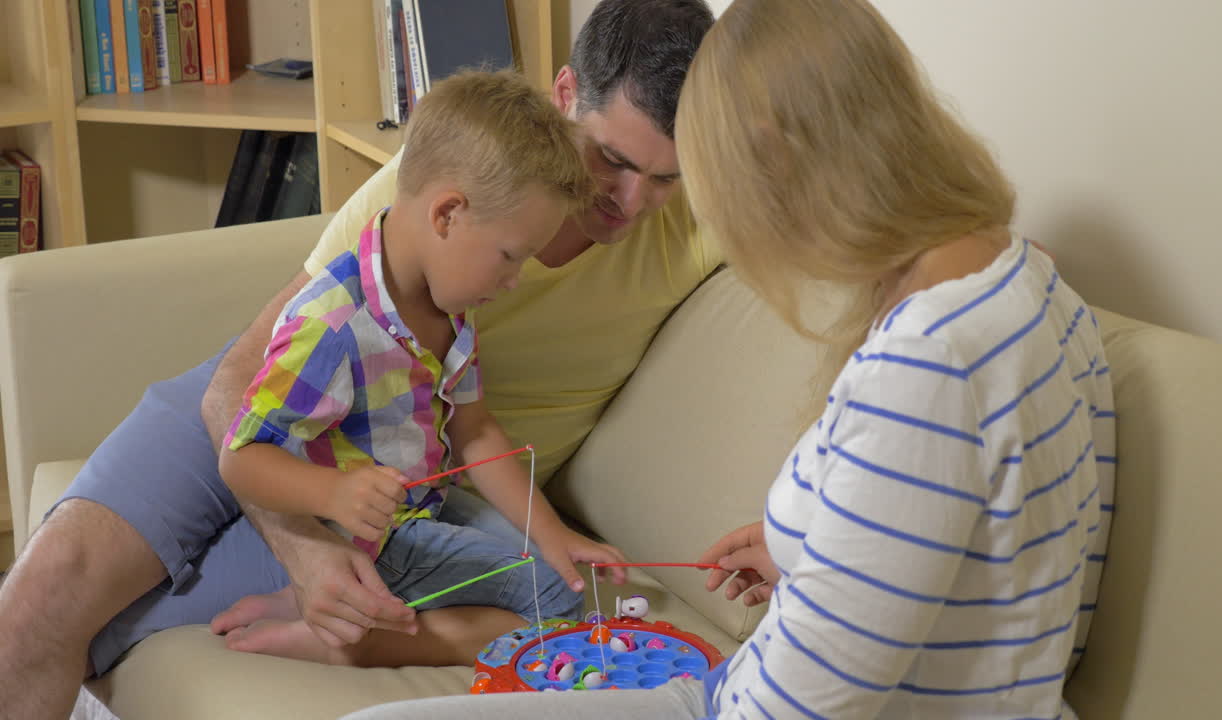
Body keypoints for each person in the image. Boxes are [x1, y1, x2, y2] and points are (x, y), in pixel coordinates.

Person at [338, 0, 1117, 718]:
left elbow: (792, 709)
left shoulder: (931, 368)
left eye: (693, 178)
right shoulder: (1027, 282)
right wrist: (813, 543)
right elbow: (996, 576)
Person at [0, 1, 717, 717]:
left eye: (666, 178)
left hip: (400, 484)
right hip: (273, 408)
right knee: (44, 596)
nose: (631, 201)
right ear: (565, 97)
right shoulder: (459, 174)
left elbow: (816, 173)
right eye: (613, 161)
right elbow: (246, 387)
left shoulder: (702, 222)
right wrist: (301, 546)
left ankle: (350, 636)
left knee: (556, 614)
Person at [214, 69, 626, 666]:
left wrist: (553, 532)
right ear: (447, 215)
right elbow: (241, 456)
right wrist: (334, 491)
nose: (514, 282)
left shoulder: (449, 303)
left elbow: (475, 430)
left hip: (420, 513)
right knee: (554, 605)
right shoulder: (332, 324)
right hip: (371, 538)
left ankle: (324, 610)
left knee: (558, 573)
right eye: (509, 258)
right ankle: (356, 641)